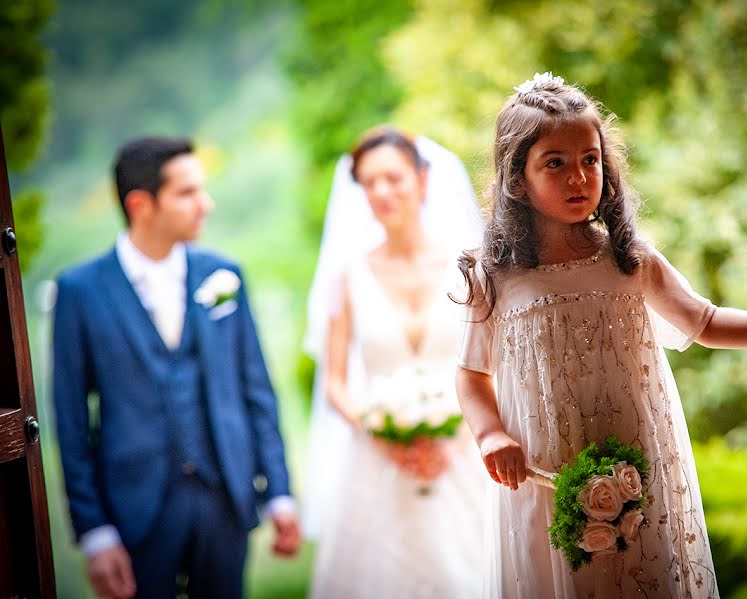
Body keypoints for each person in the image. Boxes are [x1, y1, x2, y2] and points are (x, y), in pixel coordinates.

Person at [455, 73, 747, 598]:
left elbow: (705, 322)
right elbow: (469, 375)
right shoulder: (494, 276)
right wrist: (491, 435)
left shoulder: (630, 260)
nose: (579, 176)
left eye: (590, 159)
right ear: (517, 178)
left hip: (639, 459)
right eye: (554, 162)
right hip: (547, 472)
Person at [52, 136, 301, 599]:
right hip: (134, 507)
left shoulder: (223, 275)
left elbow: (257, 391)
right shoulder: (80, 292)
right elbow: (69, 422)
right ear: (141, 204)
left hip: (224, 496)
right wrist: (95, 532)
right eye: (187, 193)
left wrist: (280, 492)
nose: (205, 204)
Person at [306, 126, 486, 598]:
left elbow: (499, 367)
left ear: (423, 179)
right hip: (377, 460)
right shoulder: (347, 274)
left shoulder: (471, 266)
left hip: (464, 454)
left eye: (393, 178)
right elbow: (336, 383)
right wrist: (380, 433)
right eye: (368, 183)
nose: (381, 192)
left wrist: (462, 437)